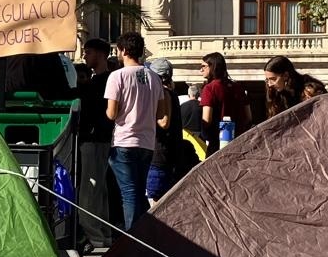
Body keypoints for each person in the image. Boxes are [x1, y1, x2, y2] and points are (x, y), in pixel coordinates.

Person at [105, 32, 170, 228]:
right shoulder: (154, 78)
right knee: (139, 191)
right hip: (147, 142)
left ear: (123, 50)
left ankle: (132, 239)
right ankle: (143, 236)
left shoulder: (117, 76)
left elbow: (112, 113)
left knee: (129, 193)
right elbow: (161, 115)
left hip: (124, 140)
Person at [76, 38, 118, 247]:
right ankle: (103, 233)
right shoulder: (103, 80)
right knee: (98, 189)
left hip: (94, 138)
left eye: (89, 52)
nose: (84, 55)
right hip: (100, 138)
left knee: (90, 189)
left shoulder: (104, 81)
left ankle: (94, 235)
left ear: (101, 54)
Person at [145, 58, 197, 204]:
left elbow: (164, 122)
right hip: (168, 157)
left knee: (155, 204)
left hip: (159, 157)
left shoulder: (163, 92)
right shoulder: (171, 93)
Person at [196, 51, 251, 153]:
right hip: (239, 143)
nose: (200, 70)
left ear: (213, 67)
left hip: (217, 144)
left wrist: (205, 135)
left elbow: (207, 119)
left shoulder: (209, 88)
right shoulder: (238, 87)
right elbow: (248, 117)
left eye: (203, 66)